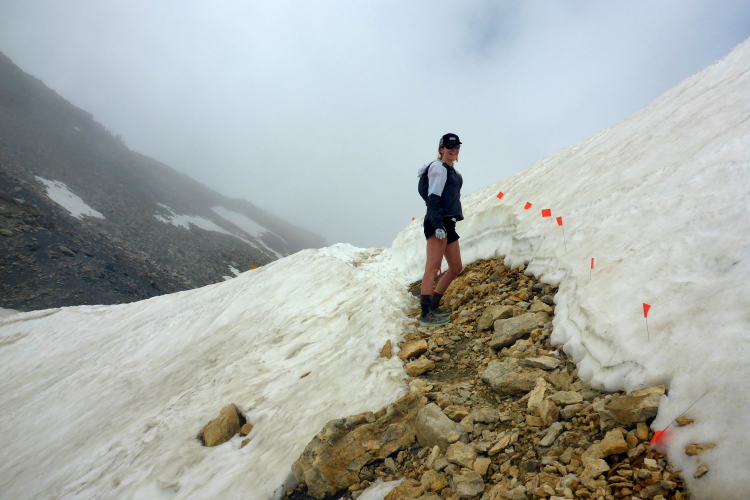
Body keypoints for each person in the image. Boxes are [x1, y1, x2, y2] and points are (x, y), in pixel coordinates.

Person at [416, 133, 464, 326]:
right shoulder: (438, 168)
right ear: (441, 149)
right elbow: (433, 198)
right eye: (450, 147)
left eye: (456, 147)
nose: (454, 150)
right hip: (438, 222)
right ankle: (425, 313)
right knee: (433, 267)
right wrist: (438, 225)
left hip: (448, 223)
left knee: (456, 267)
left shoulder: (452, 171)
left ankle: (434, 303)